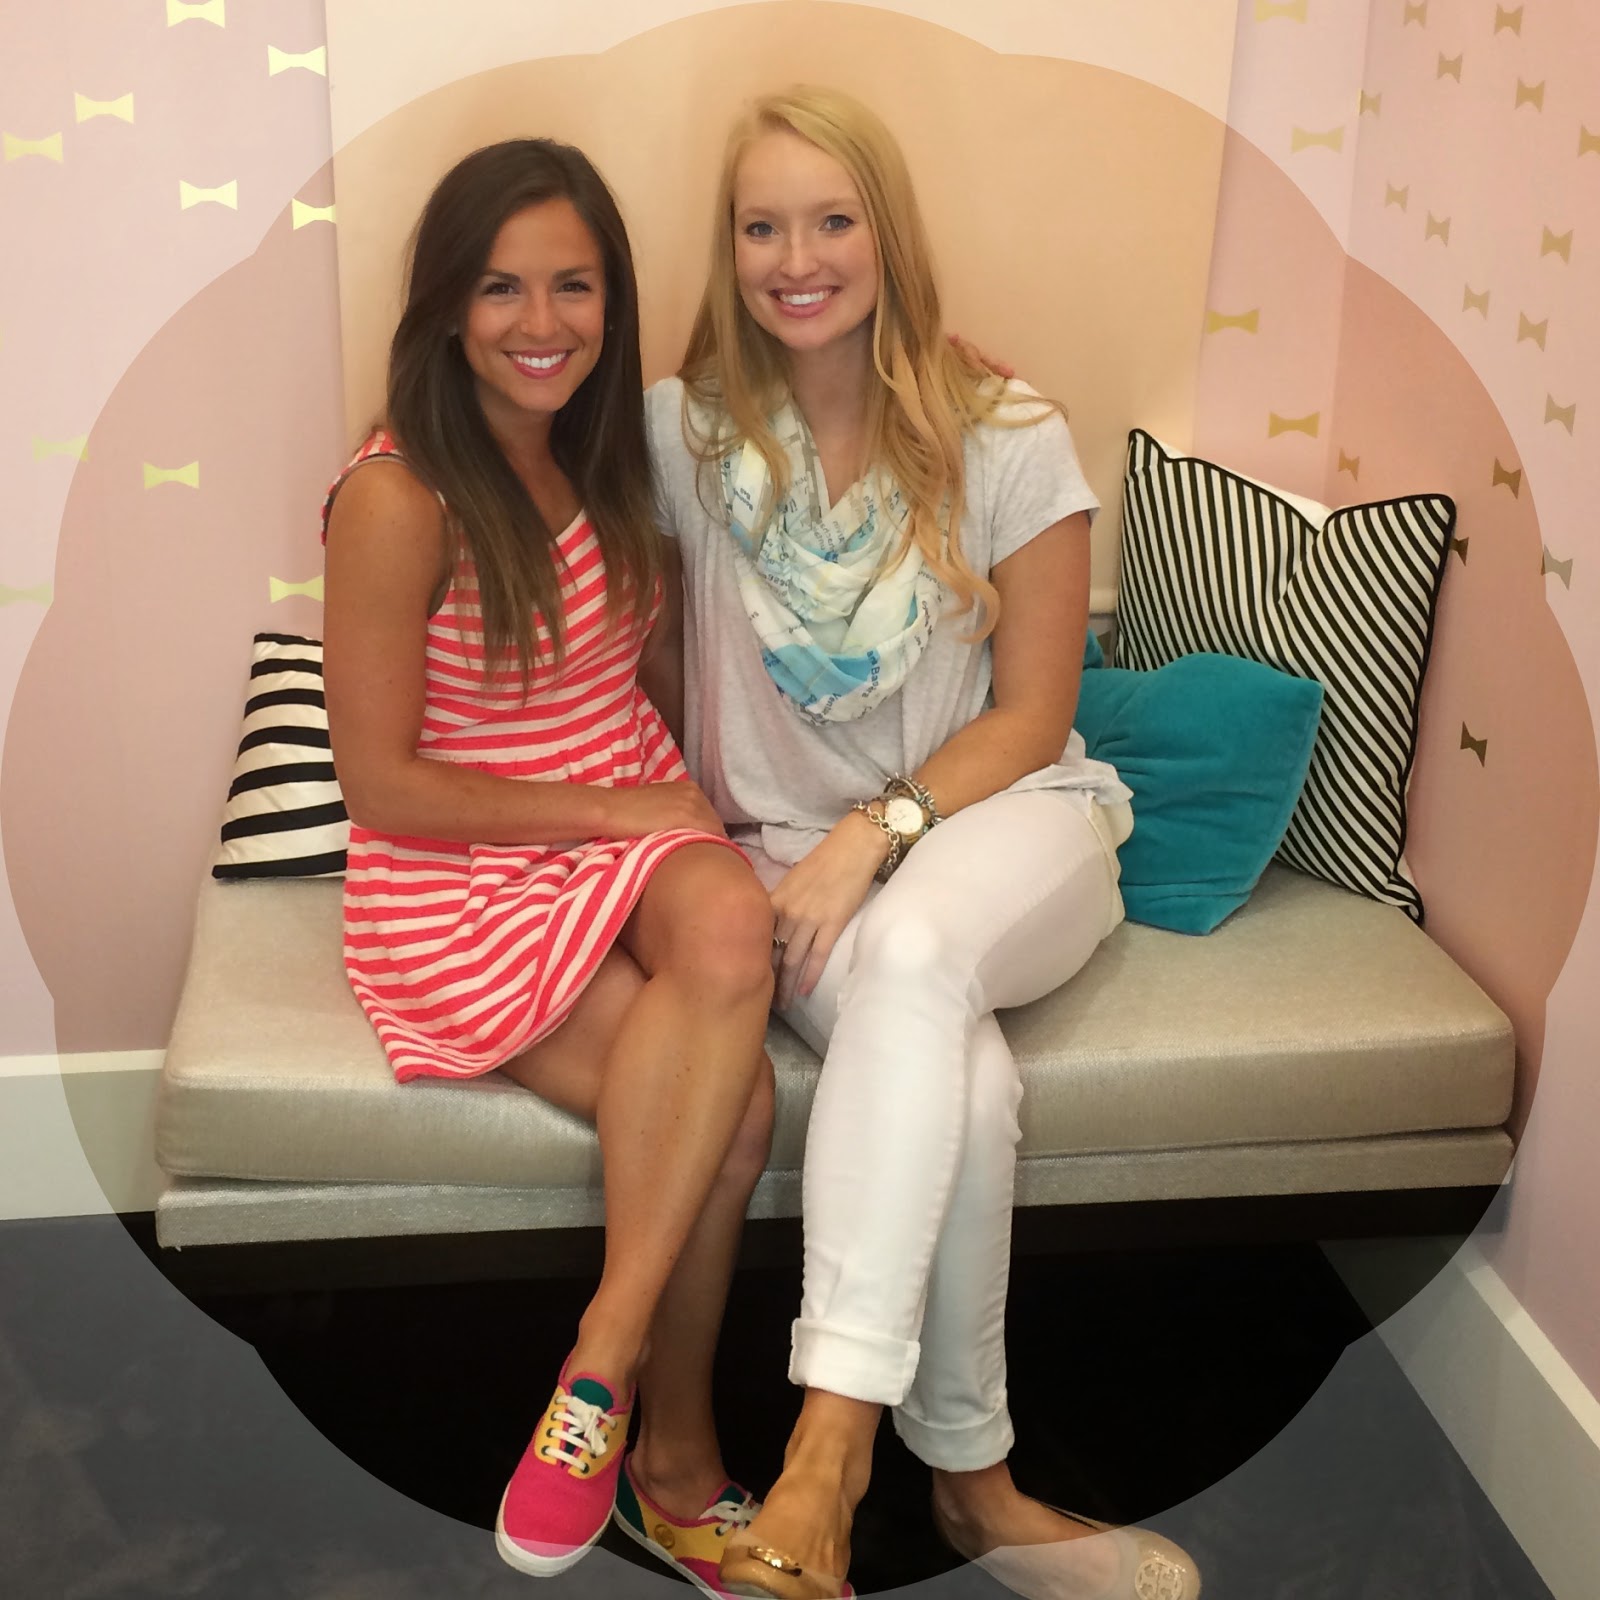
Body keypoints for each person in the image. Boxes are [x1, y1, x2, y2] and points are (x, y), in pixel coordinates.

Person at [645, 88, 1202, 1600]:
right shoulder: (685, 437)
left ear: (888, 236)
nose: (797, 259)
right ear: (729, 249)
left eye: (834, 221)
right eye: (763, 227)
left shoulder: (1005, 434)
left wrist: (874, 831)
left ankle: (825, 1455)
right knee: (967, 1075)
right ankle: (974, 1492)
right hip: (785, 864)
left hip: (1010, 826)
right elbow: (511, 424)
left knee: (913, 943)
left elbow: (1031, 714)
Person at [320, 139, 778, 1583]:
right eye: (501, 287)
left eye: (573, 286)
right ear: (446, 306)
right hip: (461, 865)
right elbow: (380, 783)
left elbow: (802, 381)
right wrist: (612, 814)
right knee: (740, 1112)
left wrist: (936, 367)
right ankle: (673, 1464)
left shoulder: (612, 446)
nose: (541, 323)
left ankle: (600, 1353)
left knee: (733, 928)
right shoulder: (400, 497)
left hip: (622, 817)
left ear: (611, 301)